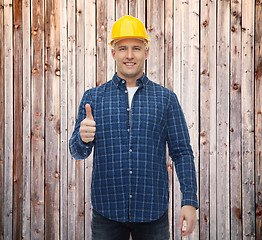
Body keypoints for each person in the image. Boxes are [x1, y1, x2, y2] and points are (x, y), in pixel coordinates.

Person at [69, 15, 198, 240]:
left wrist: (189, 201)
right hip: (106, 212)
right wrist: (83, 137)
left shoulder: (165, 99)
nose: (129, 55)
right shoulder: (94, 98)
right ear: (113, 53)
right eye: (123, 48)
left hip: (152, 213)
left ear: (146, 52)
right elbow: (77, 152)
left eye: (136, 48)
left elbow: (182, 152)